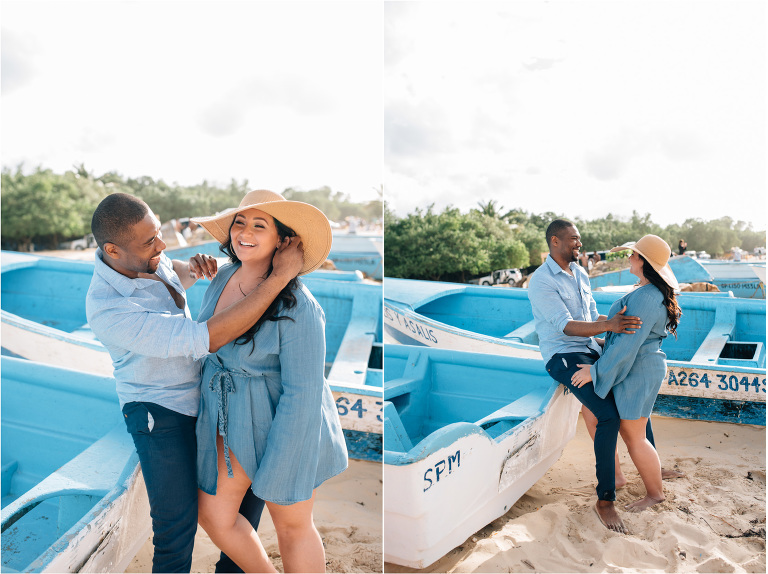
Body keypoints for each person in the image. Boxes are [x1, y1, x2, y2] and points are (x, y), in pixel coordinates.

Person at [85, 192, 304, 573]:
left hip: (209, 396)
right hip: (160, 413)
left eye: (158, 233)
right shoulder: (108, 308)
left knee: (245, 506)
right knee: (176, 528)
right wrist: (279, 277)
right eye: (150, 241)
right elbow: (207, 337)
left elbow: (172, 274)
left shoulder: (146, 259)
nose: (162, 245)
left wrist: (195, 269)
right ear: (113, 251)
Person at [191, 190, 348, 573]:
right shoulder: (224, 274)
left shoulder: (300, 306)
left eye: (259, 225)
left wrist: (283, 458)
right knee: (213, 516)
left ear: (283, 239)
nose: (245, 232)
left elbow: (305, 393)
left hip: (284, 422)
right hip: (230, 418)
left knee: (292, 526)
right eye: (239, 223)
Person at [571, 235, 681, 512]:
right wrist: (599, 333)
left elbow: (629, 345)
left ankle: (655, 494)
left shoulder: (646, 297)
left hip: (638, 370)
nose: (629, 258)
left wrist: (595, 372)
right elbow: (624, 337)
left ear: (644, 261)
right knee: (592, 413)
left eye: (634, 254)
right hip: (636, 366)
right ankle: (617, 477)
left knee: (634, 437)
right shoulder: (645, 290)